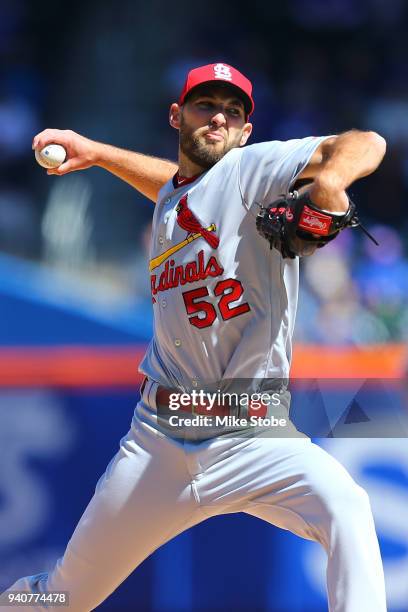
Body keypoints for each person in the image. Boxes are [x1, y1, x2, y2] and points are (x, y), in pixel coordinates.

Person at [6, 63, 387, 611]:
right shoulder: (179, 200)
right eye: (206, 105)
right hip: (157, 441)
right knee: (63, 599)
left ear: (246, 133)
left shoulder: (251, 170)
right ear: (177, 115)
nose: (219, 119)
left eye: (233, 112)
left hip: (251, 435)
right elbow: (172, 187)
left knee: (346, 507)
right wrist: (97, 151)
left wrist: (329, 182)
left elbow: (364, 141)